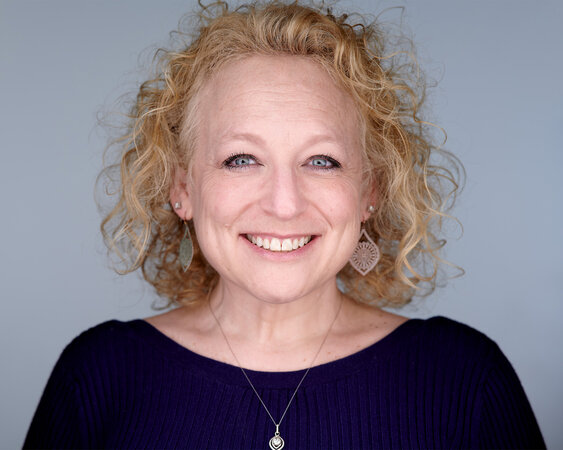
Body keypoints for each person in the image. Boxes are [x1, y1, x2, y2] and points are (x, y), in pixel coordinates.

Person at [24, 1, 545, 449]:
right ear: (182, 187)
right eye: (241, 159)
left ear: (370, 191)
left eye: (322, 161)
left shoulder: (466, 380)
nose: (284, 204)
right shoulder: (96, 377)